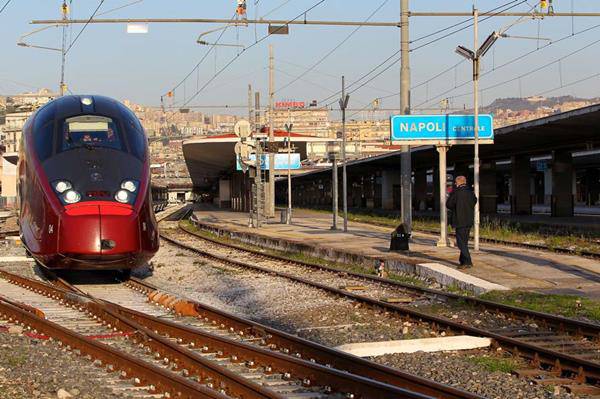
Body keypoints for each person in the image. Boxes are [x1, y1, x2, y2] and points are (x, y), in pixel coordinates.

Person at [446, 175, 477, 268]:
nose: (455, 184)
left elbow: (449, 204)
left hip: (459, 220)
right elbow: (475, 201)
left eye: (455, 182)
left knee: (460, 243)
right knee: (464, 242)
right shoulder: (471, 193)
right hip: (469, 220)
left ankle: (468, 262)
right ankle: (462, 261)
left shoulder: (456, 192)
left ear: (458, 183)